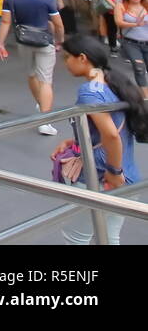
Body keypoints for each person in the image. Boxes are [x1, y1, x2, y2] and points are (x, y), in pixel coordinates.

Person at [52, 34, 147, 245]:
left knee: (75, 238)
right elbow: (109, 129)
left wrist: (114, 173)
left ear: (82, 58)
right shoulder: (112, 82)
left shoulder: (89, 91)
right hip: (129, 178)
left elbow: (112, 134)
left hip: (102, 178)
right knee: (108, 237)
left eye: (67, 57)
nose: (65, 62)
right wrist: (75, 142)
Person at [0, 0, 64, 136]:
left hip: (24, 41)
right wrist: (59, 41)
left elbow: (5, 22)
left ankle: (41, 103)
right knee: (46, 80)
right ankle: (45, 121)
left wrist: (0, 44)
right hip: (44, 42)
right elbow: (58, 24)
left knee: (32, 74)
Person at [114, 0, 148, 97]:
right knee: (139, 68)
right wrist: (135, 24)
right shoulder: (121, 6)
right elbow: (118, 22)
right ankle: (145, 96)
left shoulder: (146, 4)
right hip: (131, 42)